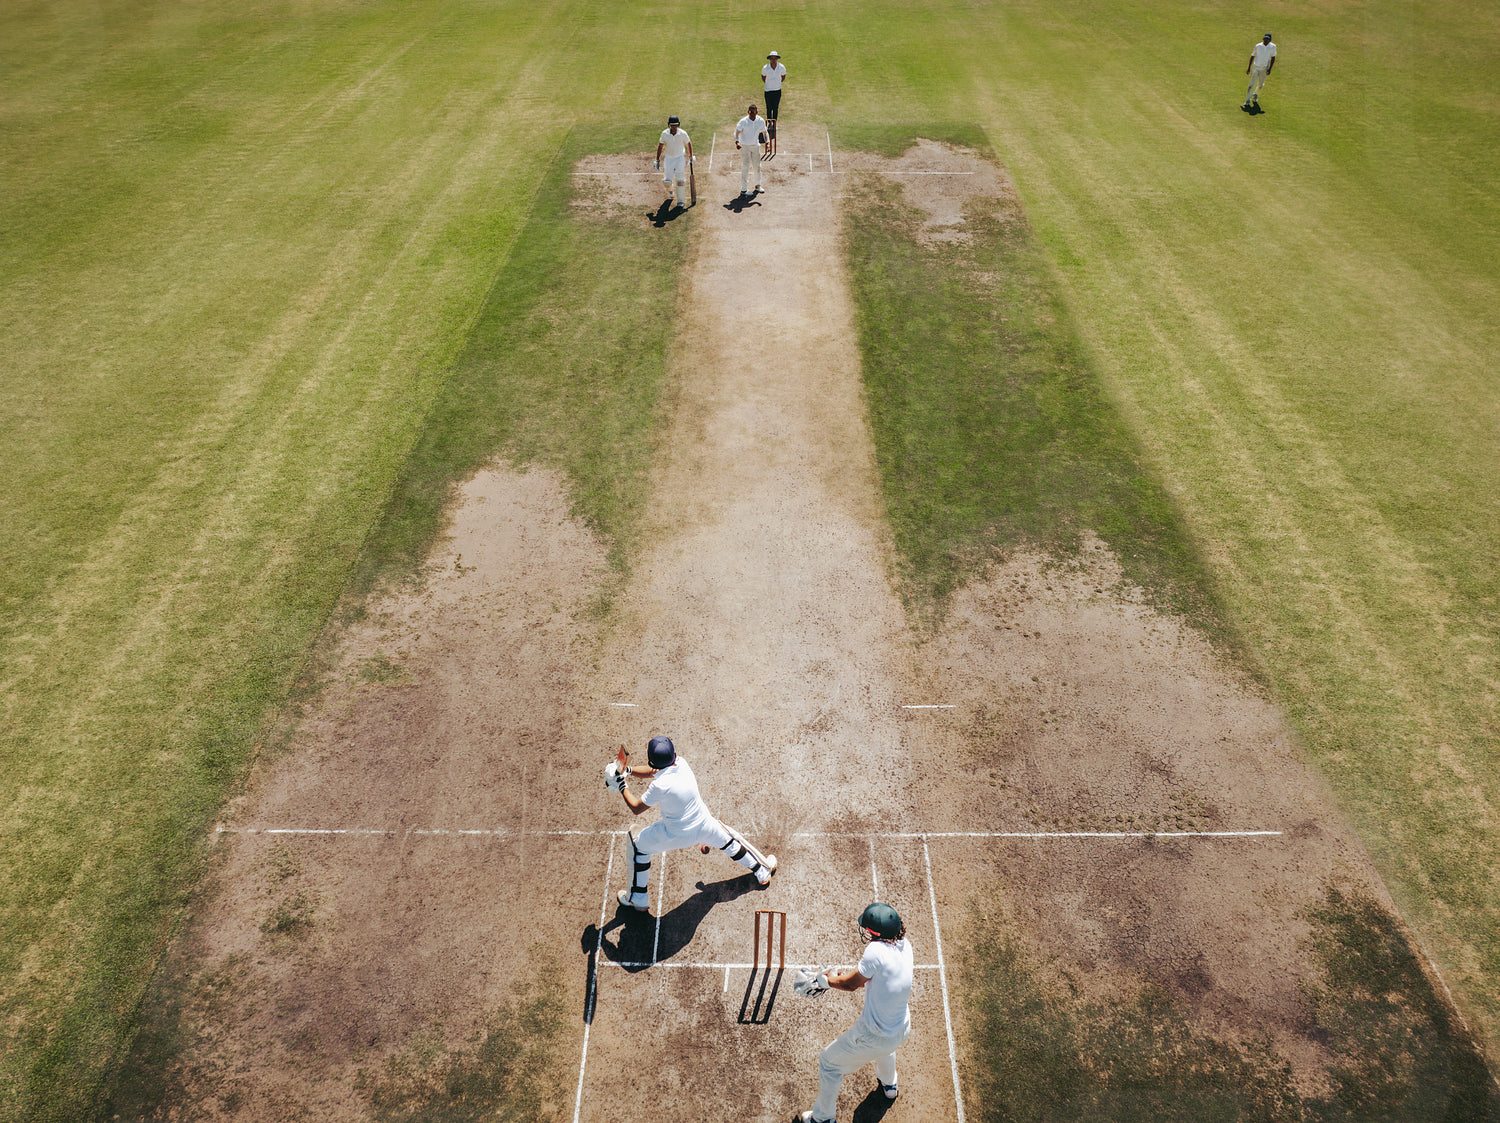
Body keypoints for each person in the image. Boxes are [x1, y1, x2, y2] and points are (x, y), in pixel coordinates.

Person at [610, 736, 777, 914]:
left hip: (675, 834)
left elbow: (636, 807)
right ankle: (762, 872)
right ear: (674, 755)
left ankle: (638, 899)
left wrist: (621, 783)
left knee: (638, 846)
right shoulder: (682, 763)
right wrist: (627, 770)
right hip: (705, 825)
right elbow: (654, 771)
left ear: (650, 759)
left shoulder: (659, 786)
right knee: (731, 842)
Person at [796, 903, 914, 1123]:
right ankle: (889, 1086)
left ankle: (822, 1119)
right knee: (887, 1048)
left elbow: (851, 984)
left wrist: (826, 981)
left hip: (875, 1036)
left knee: (828, 1063)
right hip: (901, 1027)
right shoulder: (905, 945)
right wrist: (837, 977)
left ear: (874, 932)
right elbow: (867, 976)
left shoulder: (875, 950)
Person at [654, 115, 694, 209]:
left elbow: (688, 143)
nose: (674, 127)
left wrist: (691, 156)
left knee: (680, 180)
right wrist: (657, 160)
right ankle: (671, 192)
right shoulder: (664, 134)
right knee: (667, 182)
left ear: (678, 125)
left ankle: (680, 201)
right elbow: (660, 146)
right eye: (672, 125)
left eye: (675, 125)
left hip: (679, 158)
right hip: (669, 159)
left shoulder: (682, 133)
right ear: (669, 125)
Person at [734, 104, 768, 196]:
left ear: (756, 112)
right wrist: (737, 142)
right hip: (745, 146)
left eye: (753, 112)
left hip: (755, 146)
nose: (752, 114)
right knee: (746, 167)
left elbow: (765, 132)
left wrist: (767, 143)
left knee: (757, 166)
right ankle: (744, 189)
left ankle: (758, 186)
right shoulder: (743, 121)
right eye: (750, 112)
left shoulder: (760, 121)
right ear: (748, 112)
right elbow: (736, 133)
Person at [1243, 33, 1276, 112]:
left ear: (1270, 40)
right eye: (1265, 38)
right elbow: (1252, 56)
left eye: (1267, 39)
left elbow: (1273, 57)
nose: (1265, 40)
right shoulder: (1258, 46)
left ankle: (1255, 95)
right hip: (1256, 67)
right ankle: (1247, 100)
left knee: (1261, 85)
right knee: (1251, 84)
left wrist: (1269, 69)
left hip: (1264, 68)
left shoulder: (1273, 47)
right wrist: (1249, 68)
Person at [761, 50, 787, 149]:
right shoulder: (765, 68)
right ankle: (770, 123)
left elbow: (783, 77)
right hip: (768, 91)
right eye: (772, 58)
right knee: (769, 107)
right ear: (770, 59)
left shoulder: (781, 67)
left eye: (775, 58)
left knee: (775, 107)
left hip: (777, 90)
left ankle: (774, 123)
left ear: (777, 59)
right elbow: (763, 77)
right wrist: (769, 84)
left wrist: (777, 84)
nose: (773, 60)